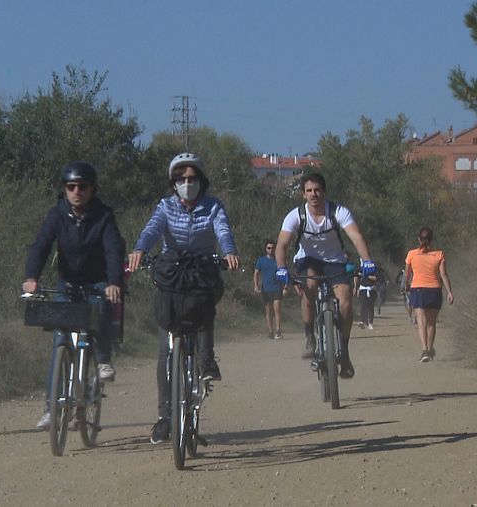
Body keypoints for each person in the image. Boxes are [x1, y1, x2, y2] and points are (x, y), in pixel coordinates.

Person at [128, 152, 239, 445]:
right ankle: (165, 417)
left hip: (202, 271)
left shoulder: (213, 207)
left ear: (201, 182)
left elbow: (223, 230)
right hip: (172, 273)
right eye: (181, 179)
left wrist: (228, 251)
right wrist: (140, 248)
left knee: (205, 308)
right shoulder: (165, 206)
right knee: (165, 352)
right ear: (173, 183)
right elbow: (153, 229)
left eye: (192, 179)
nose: (187, 184)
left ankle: (206, 360)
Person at [23, 161, 125, 429]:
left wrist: (114, 282)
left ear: (93, 188)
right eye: (71, 186)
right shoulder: (56, 215)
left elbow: (114, 249)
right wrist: (31, 277)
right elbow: (41, 245)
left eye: (82, 186)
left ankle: (103, 360)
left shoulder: (104, 216)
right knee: (59, 342)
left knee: (100, 312)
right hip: (67, 283)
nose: (76, 191)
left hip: (98, 282)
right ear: (64, 189)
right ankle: (51, 408)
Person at [274, 172, 375, 379]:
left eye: (317, 190)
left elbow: (356, 236)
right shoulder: (296, 215)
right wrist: (281, 267)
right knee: (309, 287)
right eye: (309, 191)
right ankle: (310, 335)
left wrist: (367, 261)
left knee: (345, 302)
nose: (314, 194)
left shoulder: (338, 212)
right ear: (303, 194)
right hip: (307, 260)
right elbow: (282, 244)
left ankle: (344, 352)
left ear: (324, 191)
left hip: (335, 262)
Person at [404, 227, 454, 362]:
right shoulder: (439, 254)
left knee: (421, 322)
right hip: (434, 290)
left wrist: (406, 285)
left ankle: (425, 350)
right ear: (431, 240)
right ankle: (430, 349)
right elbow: (443, 274)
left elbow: (407, 274)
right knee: (432, 323)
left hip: (418, 289)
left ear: (418, 239)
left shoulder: (412, 254)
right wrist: (449, 291)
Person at [254, 239, 287, 339]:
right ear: (266, 249)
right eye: (269, 248)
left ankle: (278, 331)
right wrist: (256, 286)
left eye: (273, 248)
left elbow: (284, 272)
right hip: (266, 289)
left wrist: (285, 286)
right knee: (268, 311)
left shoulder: (279, 260)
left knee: (277, 310)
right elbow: (256, 273)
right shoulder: (261, 260)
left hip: (277, 288)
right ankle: (270, 331)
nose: (271, 250)